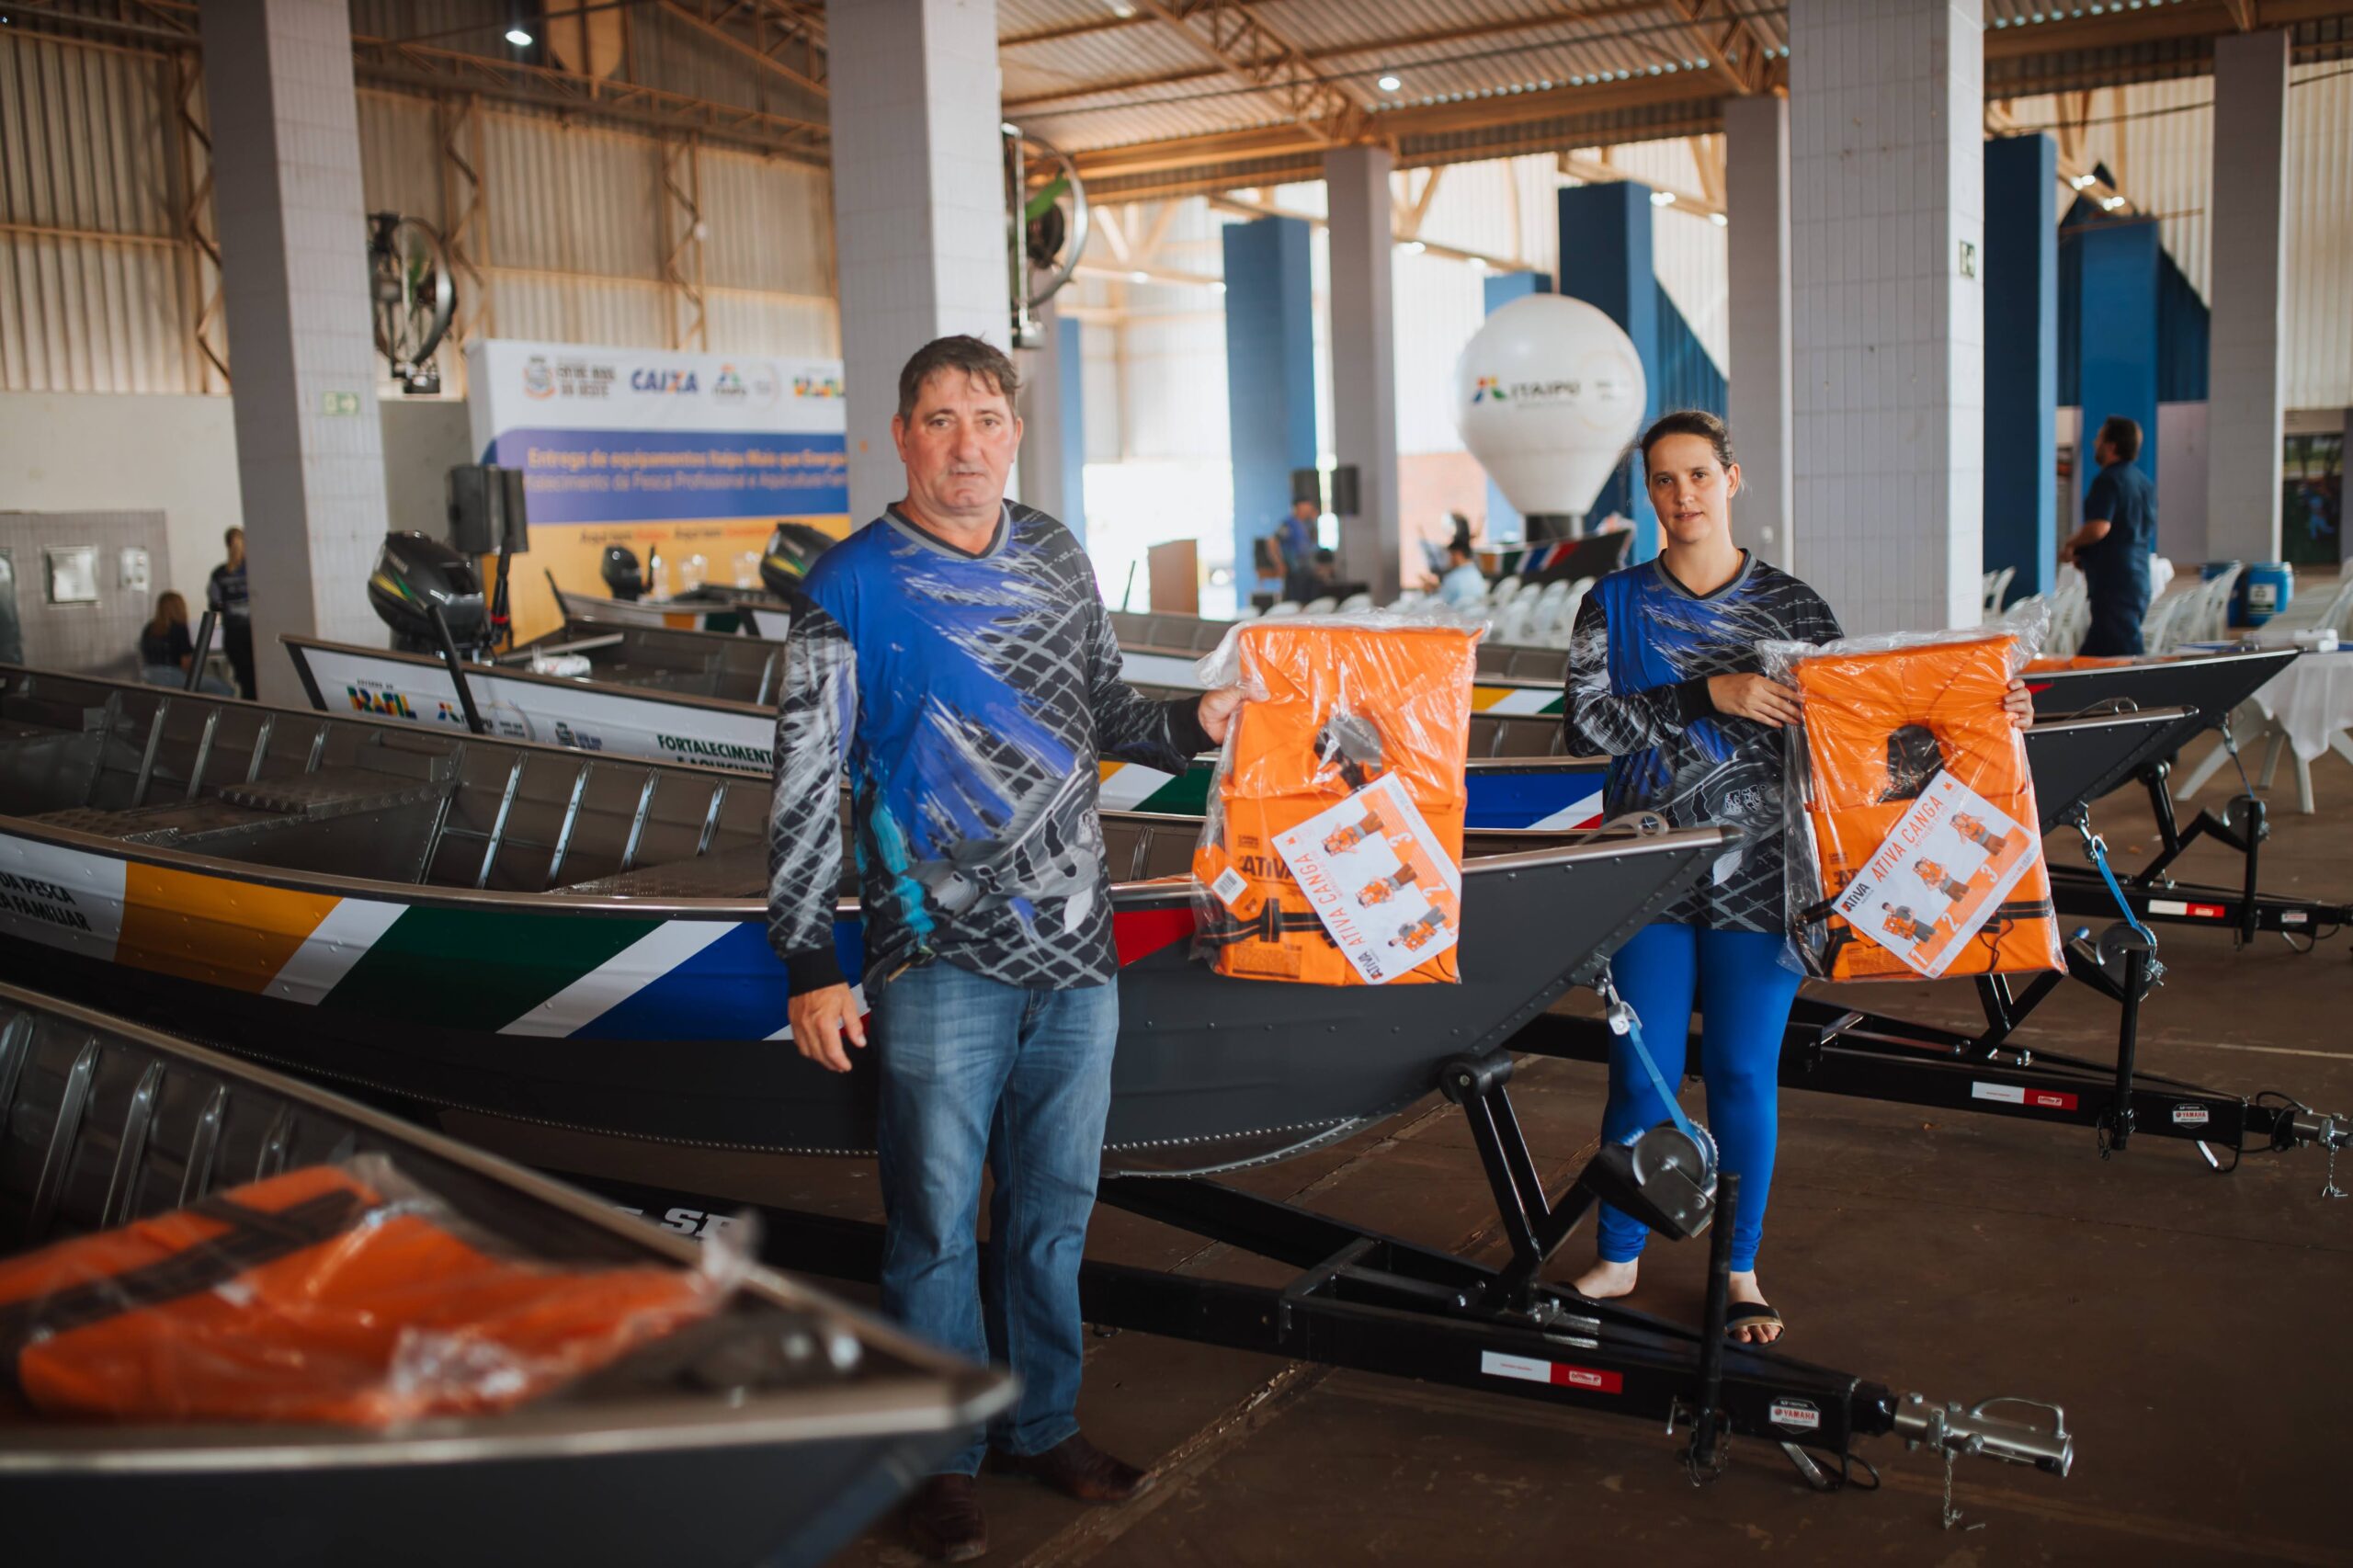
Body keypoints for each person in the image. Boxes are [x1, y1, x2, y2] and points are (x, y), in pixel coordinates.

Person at [767, 335, 1243, 1562]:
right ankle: (940, 1458)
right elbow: (804, 785)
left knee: (1051, 1216)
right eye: (938, 419)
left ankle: (1044, 1421)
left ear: (1014, 429)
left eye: (985, 416)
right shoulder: (847, 587)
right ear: (900, 435)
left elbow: (1108, 714)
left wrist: (1198, 720)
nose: (964, 444)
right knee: (931, 1224)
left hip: (1080, 953)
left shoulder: (1056, 555)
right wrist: (809, 957)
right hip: (934, 962)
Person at [1561, 409, 2031, 1345]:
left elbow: (1866, 743)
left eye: (1697, 474)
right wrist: (1707, 693)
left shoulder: (1796, 611)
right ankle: (1619, 1253)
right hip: (1645, 872)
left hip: (1767, 877)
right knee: (1637, 1075)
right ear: (1648, 493)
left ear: (1731, 480)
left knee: (1740, 1072)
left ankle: (1736, 1267)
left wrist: (1985, 711)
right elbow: (1581, 728)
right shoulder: (1609, 604)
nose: (1681, 494)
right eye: (1663, 480)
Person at [2061, 415, 2157, 656]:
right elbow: (2126, 532)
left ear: (2111, 446)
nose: (2094, 443)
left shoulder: (2108, 480)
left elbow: (2099, 528)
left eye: (2099, 438)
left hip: (2114, 584)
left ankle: (2141, 692)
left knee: (2123, 655)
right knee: (2099, 651)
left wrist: (2071, 544)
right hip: (2138, 579)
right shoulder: (2143, 483)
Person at [138, 591, 231, 694]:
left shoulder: (150, 628)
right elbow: (185, 661)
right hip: (172, 675)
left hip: (150, 675)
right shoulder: (179, 628)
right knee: (223, 688)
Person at [208, 527, 254, 699]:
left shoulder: (219, 574)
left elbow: (214, 604)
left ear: (227, 545)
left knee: (244, 679)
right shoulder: (254, 570)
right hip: (255, 634)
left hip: (234, 634)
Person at [1275, 496, 1320, 602]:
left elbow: (1314, 542)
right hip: (1295, 570)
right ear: (1299, 506)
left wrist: (1314, 521)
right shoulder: (1288, 524)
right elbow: (1273, 541)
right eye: (1307, 505)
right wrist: (1279, 563)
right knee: (1297, 601)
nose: (1310, 508)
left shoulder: (1309, 523)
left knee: (1311, 600)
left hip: (1309, 569)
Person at [1436, 541, 1486, 609]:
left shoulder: (1453, 578)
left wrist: (1433, 591)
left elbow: (1441, 603)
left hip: (1456, 616)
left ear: (1457, 554)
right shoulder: (1477, 574)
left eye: (1449, 554)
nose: (1448, 559)